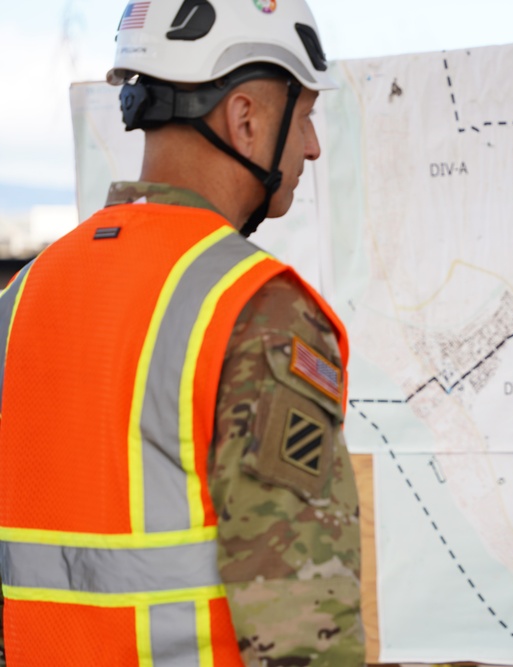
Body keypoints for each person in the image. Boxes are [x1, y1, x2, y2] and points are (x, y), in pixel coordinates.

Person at [0, 0, 364, 664]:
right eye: (306, 116)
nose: (312, 145)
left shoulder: (23, 297)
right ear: (246, 118)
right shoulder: (257, 309)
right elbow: (305, 623)